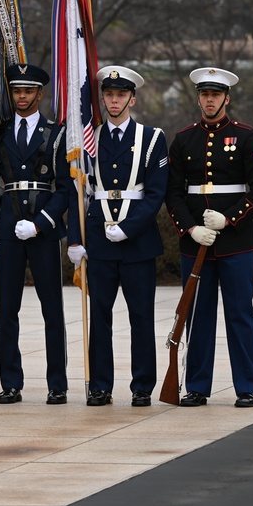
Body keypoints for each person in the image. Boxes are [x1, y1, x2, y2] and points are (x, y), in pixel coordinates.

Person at [166, 67, 253, 408]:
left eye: (215, 95)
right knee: (197, 315)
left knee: (239, 313)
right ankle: (197, 386)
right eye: (204, 94)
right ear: (198, 97)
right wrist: (190, 228)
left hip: (236, 242)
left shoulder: (246, 136)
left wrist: (229, 218)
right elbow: (173, 192)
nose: (209, 100)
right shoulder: (183, 139)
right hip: (196, 242)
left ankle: (248, 386)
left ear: (227, 98)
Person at [66, 66, 168, 407]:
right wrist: (75, 239)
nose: (114, 100)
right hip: (98, 239)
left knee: (141, 317)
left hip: (137, 241)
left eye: (121, 94)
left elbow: (155, 193)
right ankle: (100, 385)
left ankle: (142, 386)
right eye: (109, 94)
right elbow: (78, 191)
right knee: (101, 318)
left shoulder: (152, 139)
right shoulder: (88, 140)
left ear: (132, 98)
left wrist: (128, 227)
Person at [0, 63, 71, 405]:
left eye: (28, 91)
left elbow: (65, 189)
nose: (21, 96)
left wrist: (42, 221)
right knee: (8, 308)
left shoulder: (55, 133)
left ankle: (57, 383)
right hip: (8, 227)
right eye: (17, 91)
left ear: (40, 94)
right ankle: (11, 382)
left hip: (43, 228)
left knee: (52, 309)